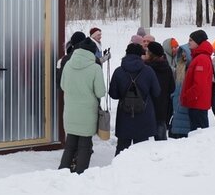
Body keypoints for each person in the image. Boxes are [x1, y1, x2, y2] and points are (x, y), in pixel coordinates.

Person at [58, 37, 106, 174]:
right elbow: (100, 92)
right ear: (92, 52)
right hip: (87, 114)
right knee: (85, 145)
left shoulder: (67, 64)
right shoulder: (95, 68)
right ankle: (80, 173)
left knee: (70, 144)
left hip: (70, 112)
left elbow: (62, 85)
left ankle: (62, 172)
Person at [109, 43, 161, 155]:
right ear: (140, 55)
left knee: (122, 148)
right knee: (141, 150)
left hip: (125, 115)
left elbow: (113, 94)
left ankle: (118, 171)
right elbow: (157, 92)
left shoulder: (119, 71)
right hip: (144, 114)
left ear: (126, 54)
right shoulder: (148, 71)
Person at [180, 29, 213, 131]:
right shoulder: (199, 57)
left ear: (198, 42)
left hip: (197, 103)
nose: (188, 42)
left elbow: (199, 84)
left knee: (198, 134)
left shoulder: (201, 59)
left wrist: (188, 96)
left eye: (191, 40)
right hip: (197, 102)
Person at [145, 41, 175, 141]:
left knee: (142, 140)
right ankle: (162, 155)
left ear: (151, 54)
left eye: (147, 51)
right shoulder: (167, 68)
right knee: (161, 137)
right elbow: (172, 88)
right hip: (162, 106)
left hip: (146, 105)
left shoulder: (146, 68)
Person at [168, 43, 192, 138]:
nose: (183, 55)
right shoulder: (180, 68)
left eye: (185, 53)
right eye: (181, 53)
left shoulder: (190, 68)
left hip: (184, 103)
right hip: (177, 103)